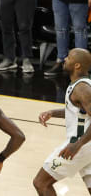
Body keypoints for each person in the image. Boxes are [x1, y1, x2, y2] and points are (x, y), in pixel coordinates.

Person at [33, 48, 91, 195]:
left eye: (69, 57)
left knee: (41, 183)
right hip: (87, 146)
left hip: (80, 145)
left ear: (77, 65)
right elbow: (79, 111)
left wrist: (77, 145)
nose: (65, 58)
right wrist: (52, 112)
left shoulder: (82, 88)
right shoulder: (82, 84)